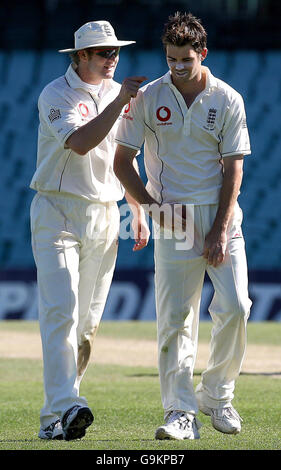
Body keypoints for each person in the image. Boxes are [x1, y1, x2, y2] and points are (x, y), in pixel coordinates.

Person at [114, 11, 252, 440]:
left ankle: (217, 394)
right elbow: (122, 163)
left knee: (236, 307)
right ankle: (180, 412)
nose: (176, 67)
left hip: (219, 214)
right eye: (170, 58)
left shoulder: (227, 98)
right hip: (170, 216)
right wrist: (153, 210)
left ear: (202, 54)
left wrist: (218, 230)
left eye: (185, 60)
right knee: (175, 319)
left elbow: (234, 170)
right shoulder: (148, 97)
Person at [30, 20, 149, 441]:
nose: (112, 59)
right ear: (80, 56)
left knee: (86, 325)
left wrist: (136, 208)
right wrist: (119, 102)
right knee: (60, 312)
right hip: (57, 212)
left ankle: (58, 416)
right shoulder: (55, 94)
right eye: (103, 53)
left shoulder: (122, 97)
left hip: (104, 212)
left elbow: (124, 156)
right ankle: (65, 406)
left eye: (115, 52)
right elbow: (80, 143)